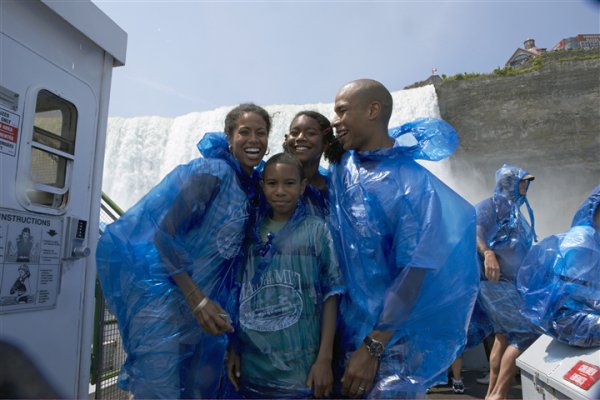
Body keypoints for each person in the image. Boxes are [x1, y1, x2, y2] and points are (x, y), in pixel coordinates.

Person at [96, 103, 271, 399]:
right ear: (229, 137)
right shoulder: (212, 173)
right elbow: (163, 234)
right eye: (245, 132)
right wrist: (197, 300)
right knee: (158, 389)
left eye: (261, 133)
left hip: (204, 310)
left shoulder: (251, 187)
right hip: (167, 300)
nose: (253, 140)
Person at [328, 79, 479, 398]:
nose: (335, 121)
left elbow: (415, 270)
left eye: (342, 111)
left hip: (390, 347)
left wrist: (374, 346)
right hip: (349, 333)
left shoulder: (410, 184)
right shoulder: (346, 168)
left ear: (372, 110)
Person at [226, 152, 344, 398]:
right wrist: (233, 349)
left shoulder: (317, 230)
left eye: (289, 183)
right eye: (272, 184)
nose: (280, 191)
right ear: (262, 186)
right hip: (253, 369)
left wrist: (325, 358)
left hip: (302, 369)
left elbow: (331, 294)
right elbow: (237, 295)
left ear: (302, 187)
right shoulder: (249, 234)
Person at [475, 164, 539, 400]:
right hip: (497, 282)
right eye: (522, 181)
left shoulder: (514, 210)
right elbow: (475, 230)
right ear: (507, 183)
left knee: (503, 336)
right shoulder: (492, 204)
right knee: (525, 334)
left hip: (508, 284)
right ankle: (500, 395)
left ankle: (491, 392)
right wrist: (488, 254)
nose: (526, 186)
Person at [518, 184, 600, 348]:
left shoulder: (594, 237)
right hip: (567, 321)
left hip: (575, 315)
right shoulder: (583, 240)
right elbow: (570, 296)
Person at [283, 110, 344, 216]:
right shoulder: (269, 182)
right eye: (294, 133)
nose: (300, 138)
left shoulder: (335, 190)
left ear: (326, 143)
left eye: (310, 133)